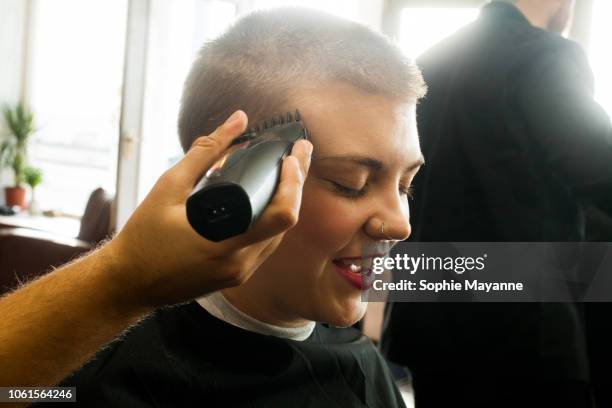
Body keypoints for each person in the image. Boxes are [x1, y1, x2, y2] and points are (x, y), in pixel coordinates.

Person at [36, 8, 426, 407]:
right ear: (230, 175)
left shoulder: (363, 367)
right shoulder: (92, 382)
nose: (399, 224)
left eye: (406, 186)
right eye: (352, 184)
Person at [381, 0, 612, 407]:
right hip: (520, 323)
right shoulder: (546, 53)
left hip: (430, 310)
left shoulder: (428, 60)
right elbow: (597, 166)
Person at [0, 110, 313, 389]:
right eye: (347, 183)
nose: (366, 222)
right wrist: (122, 274)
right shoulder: (88, 385)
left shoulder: (360, 332)